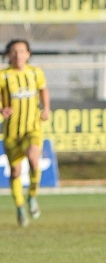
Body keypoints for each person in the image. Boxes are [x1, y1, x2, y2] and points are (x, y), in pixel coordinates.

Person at [0, 39, 51, 227]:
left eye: (22, 51)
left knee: (33, 158)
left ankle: (32, 196)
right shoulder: (3, 76)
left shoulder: (35, 73)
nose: (18, 55)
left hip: (32, 128)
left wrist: (46, 108)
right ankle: (20, 207)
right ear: (8, 55)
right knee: (15, 171)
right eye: (14, 52)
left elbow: (44, 90)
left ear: (28, 54)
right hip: (12, 132)